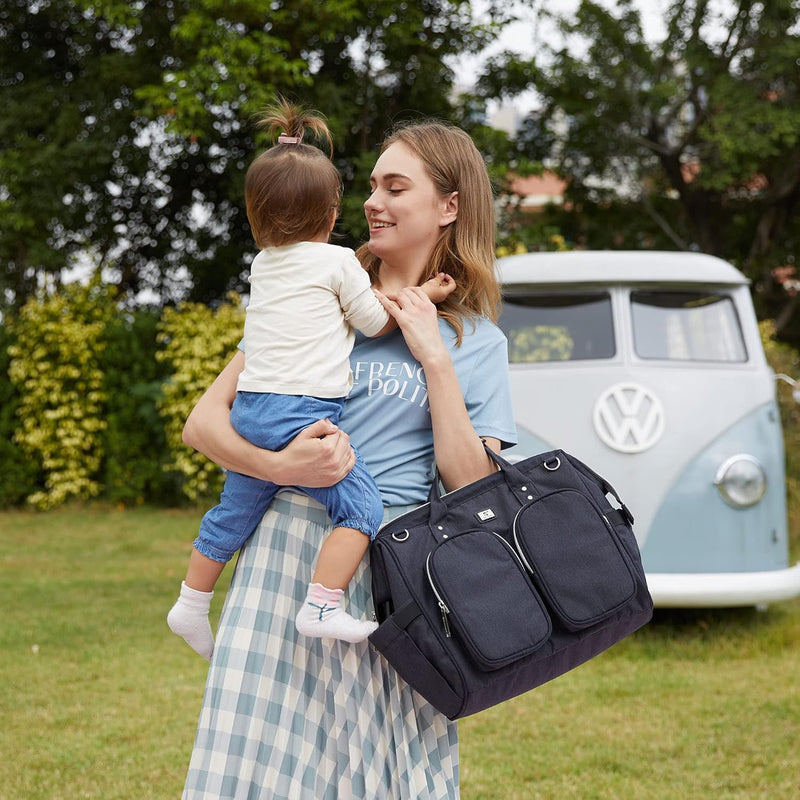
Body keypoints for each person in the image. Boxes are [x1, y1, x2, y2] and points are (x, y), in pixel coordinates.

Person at [180, 116, 518, 799]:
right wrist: (280, 468)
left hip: (394, 576)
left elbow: (470, 483)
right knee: (260, 774)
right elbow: (203, 423)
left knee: (382, 774)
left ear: (449, 207)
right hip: (284, 561)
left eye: (396, 187)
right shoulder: (320, 297)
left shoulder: (477, 342)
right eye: (370, 186)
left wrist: (432, 356)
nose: (373, 202)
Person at [167, 99, 456, 658]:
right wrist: (422, 298)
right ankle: (323, 603)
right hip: (302, 412)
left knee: (234, 510)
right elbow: (373, 322)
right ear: (330, 216)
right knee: (360, 509)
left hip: (254, 409)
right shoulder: (338, 263)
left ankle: (191, 601)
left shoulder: (263, 265)